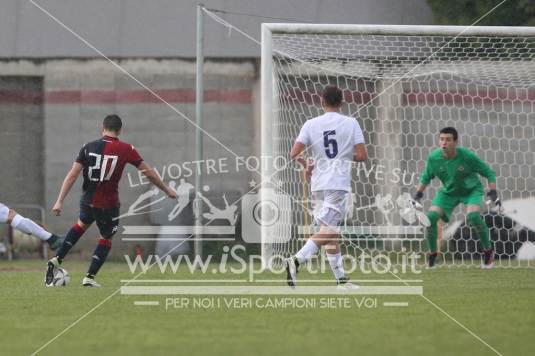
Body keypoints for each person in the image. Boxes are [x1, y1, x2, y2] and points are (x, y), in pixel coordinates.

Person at [46, 114, 177, 287]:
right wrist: (166, 189)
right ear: (120, 130)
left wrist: (59, 201)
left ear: (103, 127)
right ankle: (89, 278)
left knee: (81, 225)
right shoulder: (126, 149)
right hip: (108, 205)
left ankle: (56, 259)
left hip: (87, 200)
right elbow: (148, 173)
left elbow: (72, 175)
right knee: (106, 238)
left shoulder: (87, 147)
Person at [286, 85, 368, 288]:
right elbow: (362, 155)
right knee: (330, 230)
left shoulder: (310, 123)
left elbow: (294, 153)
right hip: (337, 183)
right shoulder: (351, 123)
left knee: (331, 231)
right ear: (341, 102)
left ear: (322, 102)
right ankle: (296, 260)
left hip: (318, 185)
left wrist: (307, 165)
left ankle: (341, 280)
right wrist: (346, 155)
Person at [412, 127, 498, 268]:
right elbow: (426, 177)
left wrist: (493, 191)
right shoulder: (434, 158)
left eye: (448, 139)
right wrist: (417, 195)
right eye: (441, 139)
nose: (444, 142)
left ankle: (488, 251)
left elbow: (489, 172)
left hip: (471, 191)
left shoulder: (467, 156)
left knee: (474, 217)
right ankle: (433, 254)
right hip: (448, 193)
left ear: (456, 141)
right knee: (430, 218)